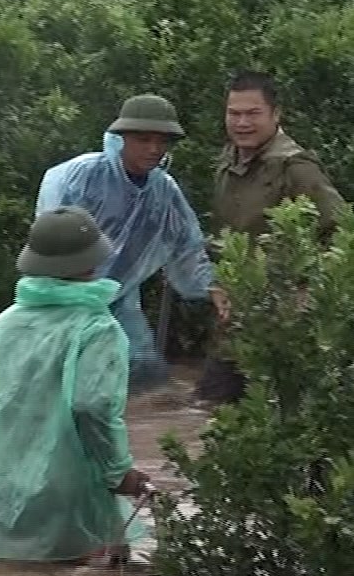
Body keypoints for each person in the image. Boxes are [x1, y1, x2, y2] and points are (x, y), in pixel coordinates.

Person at [0, 208, 152, 568]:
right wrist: (118, 472)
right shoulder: (98, 328)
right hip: (67, 493)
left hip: (1, 490)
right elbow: (91, 407)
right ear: (93, 260)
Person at [36, 94, 229, 392]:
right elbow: (52, 242)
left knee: (140, 375)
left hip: (120, 299)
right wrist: (69, 296)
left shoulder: (163, 190)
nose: (154, 149)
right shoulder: (80, 176)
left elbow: (186, 247)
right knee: (58, 381)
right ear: (121, 137)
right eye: (143, 140)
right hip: (62, 300)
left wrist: (212, 287)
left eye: (162, 141)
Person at [197, 70, 350, 406]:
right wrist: (219, 284)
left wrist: (304, 293)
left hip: (283, 322)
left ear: (276, 114)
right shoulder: (227, 162)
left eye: (253, 113)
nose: (241, 123)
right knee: (211, 412)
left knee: (277, 415)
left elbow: (343, 235)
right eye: (234, 113)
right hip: (233, 317)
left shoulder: (295, 169)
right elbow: (225, 238)